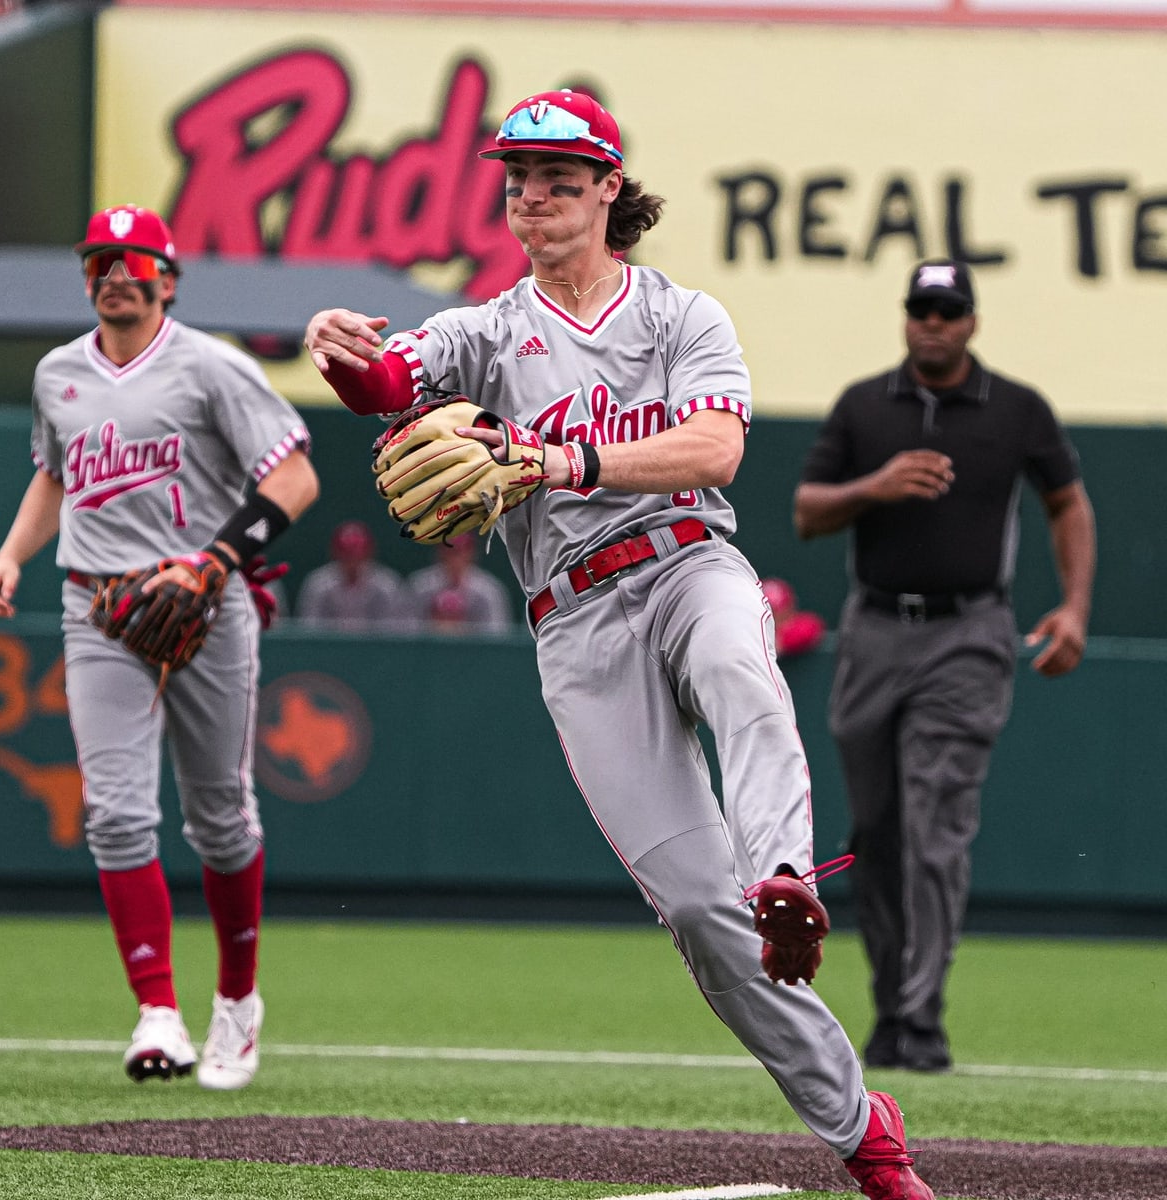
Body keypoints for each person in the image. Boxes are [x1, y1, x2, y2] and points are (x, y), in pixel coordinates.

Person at [302, 88, 934, 1200]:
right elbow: (388, 384)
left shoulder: (681, 315)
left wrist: (562, 464)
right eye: (516, 179)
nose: (530, 196)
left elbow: (716, 451)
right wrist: (337, 347)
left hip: (686, 561)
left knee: (742, 660)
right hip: (576, 622)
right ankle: (858, 1125)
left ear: (607, 189)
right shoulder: (489, 329)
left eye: (555, 177)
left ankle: (785, 874)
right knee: (696, 910)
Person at [0, 204, 320, 1090]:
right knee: (117, 814)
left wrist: (214, 560)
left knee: (220, 816)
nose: (117, 274)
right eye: (101, 261)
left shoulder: (212, 366)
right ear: (87, 278)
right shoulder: (59, 374)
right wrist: (14, 554)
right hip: (97, 605)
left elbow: (295, 475)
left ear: (168, 278)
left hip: (204, 601)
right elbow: (54, 476)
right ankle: (156, 1011)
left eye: (135, 261)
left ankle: (238, 1002)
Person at [793, 259, 1095, 1073]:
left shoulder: (1017, 409)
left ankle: (921, 1018)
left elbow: (1068, 501)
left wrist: (1073, 607)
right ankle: (894, 1005)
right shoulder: (865, 405)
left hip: (970, 633)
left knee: (937, 825)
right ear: (905, 318)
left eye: (948, 310)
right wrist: (878, 485)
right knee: (879, 832)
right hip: (875, 630)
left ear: (971, 321)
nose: (934, 322)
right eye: (922, 309)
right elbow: (807, 512)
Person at [295, 519, 411, 631]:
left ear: (369, 552)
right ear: (334, 553)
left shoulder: (386, 584)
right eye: (346, 554)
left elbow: (396, 631)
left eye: (357, 554)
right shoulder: (318, 583)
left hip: (376, 649)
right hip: (328, 649)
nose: (352, 561)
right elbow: (309, 629)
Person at [408, 535, 514, 633]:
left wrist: (463, 631)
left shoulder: (488, 591)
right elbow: (405, 630)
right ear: (440, 552)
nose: (455, 558)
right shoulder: (420, 586)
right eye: (449, 551)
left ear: (471, 553)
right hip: (426, 651)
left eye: (460, 552)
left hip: (475, 652)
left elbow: (497, 635)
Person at [759, 576, 827, 657]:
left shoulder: (803, 624)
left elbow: (811, 626)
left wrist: (779, 642)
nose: (774, 617)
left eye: (778, 612)